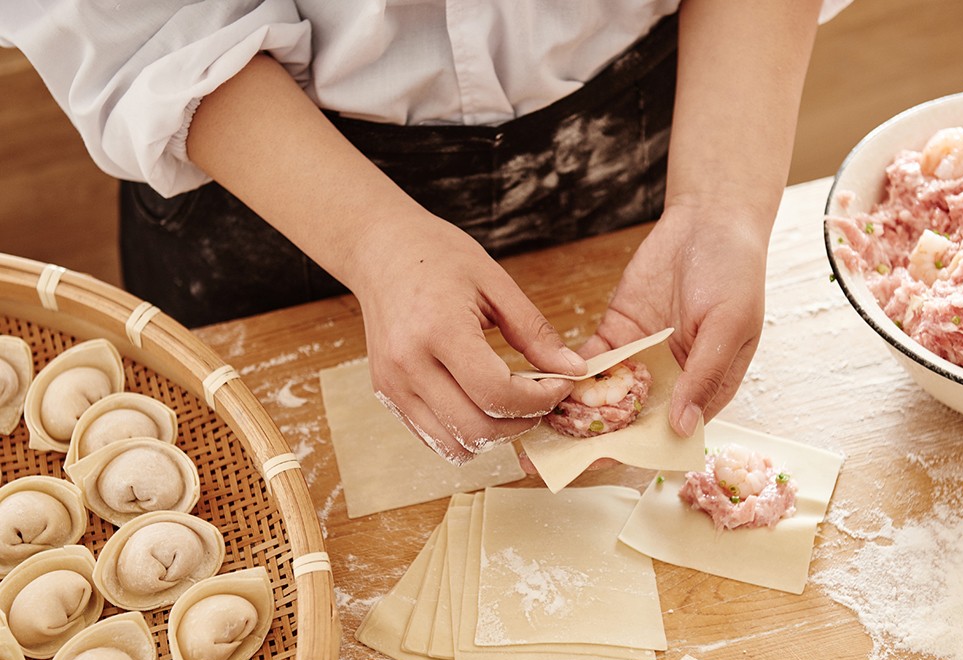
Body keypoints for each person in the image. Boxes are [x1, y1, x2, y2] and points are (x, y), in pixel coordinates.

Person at [1, 1, 850, 466]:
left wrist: (719, 207)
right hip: (261, 161)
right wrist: (370, 240)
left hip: (654, 115)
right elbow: (124, 20)